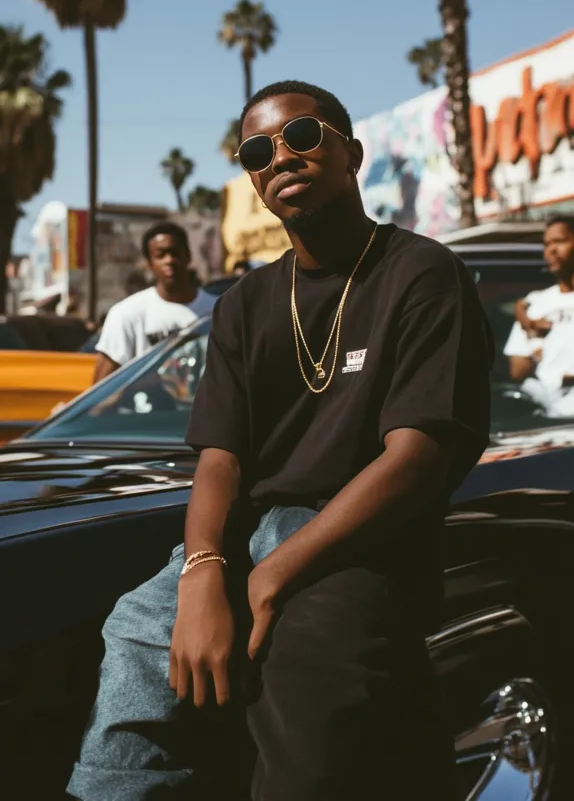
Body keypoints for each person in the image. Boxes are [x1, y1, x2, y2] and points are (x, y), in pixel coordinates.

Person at [68, 80, 493, 801]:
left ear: (351, 153)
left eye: (302, 136)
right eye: (258, 151)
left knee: (306, 704)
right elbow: (220, 457)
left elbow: (418, 458)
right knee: (136, 630)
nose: (280, 158)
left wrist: (272, 576)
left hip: (360, 539)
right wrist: (204, 569)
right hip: (245, 531)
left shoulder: (423, 273)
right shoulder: (245, 304)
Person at [93, 221, 214, 383]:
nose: (169, 260)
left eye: (175, 253)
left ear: (188, 256)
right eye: (160, 255)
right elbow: (101, 389)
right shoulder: (127, 314)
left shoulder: (219, 310)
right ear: (149, 264)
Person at [504, 215, 574, 416]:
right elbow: (518, 370)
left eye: (560, 241)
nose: (551, 250)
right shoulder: (534, 304)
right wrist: (534, 341)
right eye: (547, 244)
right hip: (546, 420)